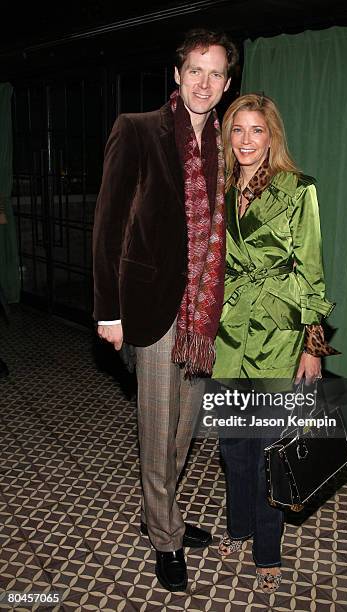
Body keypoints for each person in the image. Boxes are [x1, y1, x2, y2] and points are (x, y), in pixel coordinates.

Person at [92, 29, 238, 592]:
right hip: (151, 305)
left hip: (205, 310)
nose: (204, 82)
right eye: (194, 70)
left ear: (227, 84)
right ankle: (165, 538)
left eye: (216, 73)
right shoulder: (137, 130)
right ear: (176, 76)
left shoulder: (227, 145)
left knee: (185, 426)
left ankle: (165, 512)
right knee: (157, 429)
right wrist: (109, 312)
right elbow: (107, 225)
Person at [212, 94, 339, 593]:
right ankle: (238, 527)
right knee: (233, 446)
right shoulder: (221, 188)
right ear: (227, 138)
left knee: (270, 449)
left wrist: (313, 344)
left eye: (256, 131)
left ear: (272, 137)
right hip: (226, 332)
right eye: (237, 130)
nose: (246, 140)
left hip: (279, 333)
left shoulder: (297, 189)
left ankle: (268, 550)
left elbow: (311, 271)